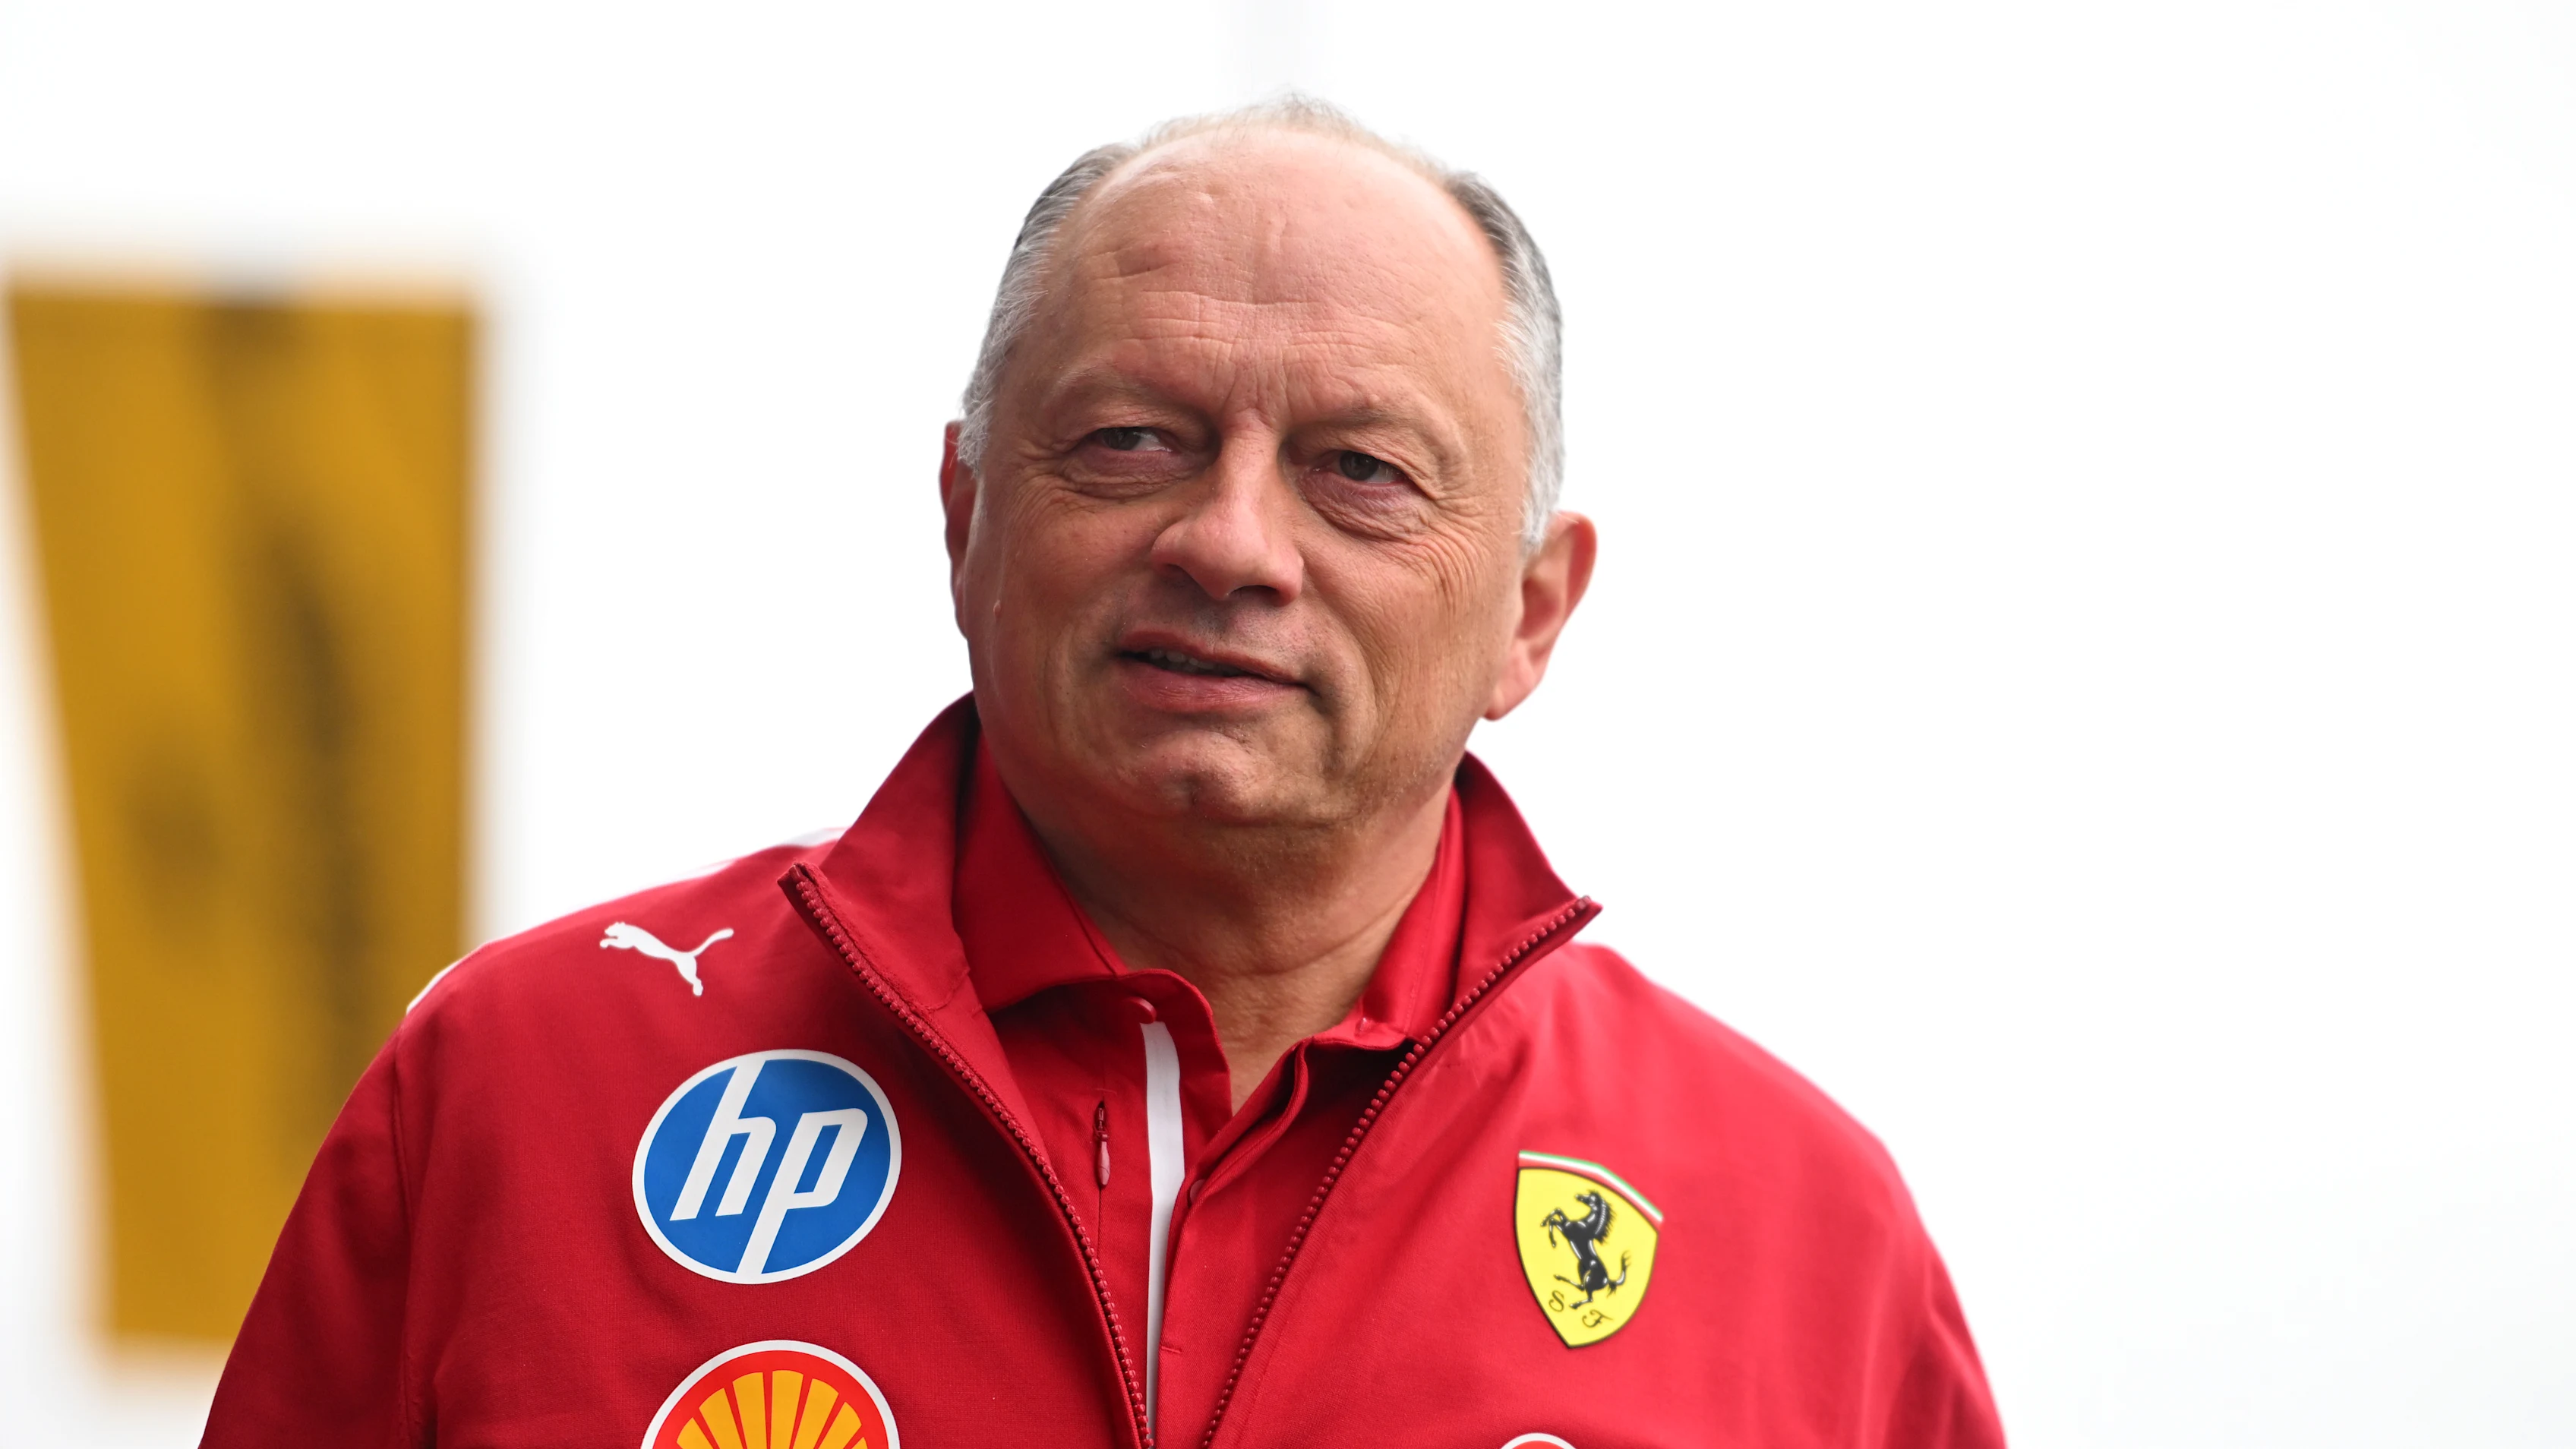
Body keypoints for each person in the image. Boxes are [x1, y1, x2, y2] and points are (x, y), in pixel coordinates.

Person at [204, 99, 2004, 1448]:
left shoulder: (1795, 1238)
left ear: (1532, 613)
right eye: (1130, 440)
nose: (1231, 542)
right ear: (966, 514)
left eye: (1358, 470)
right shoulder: (525, 1096)